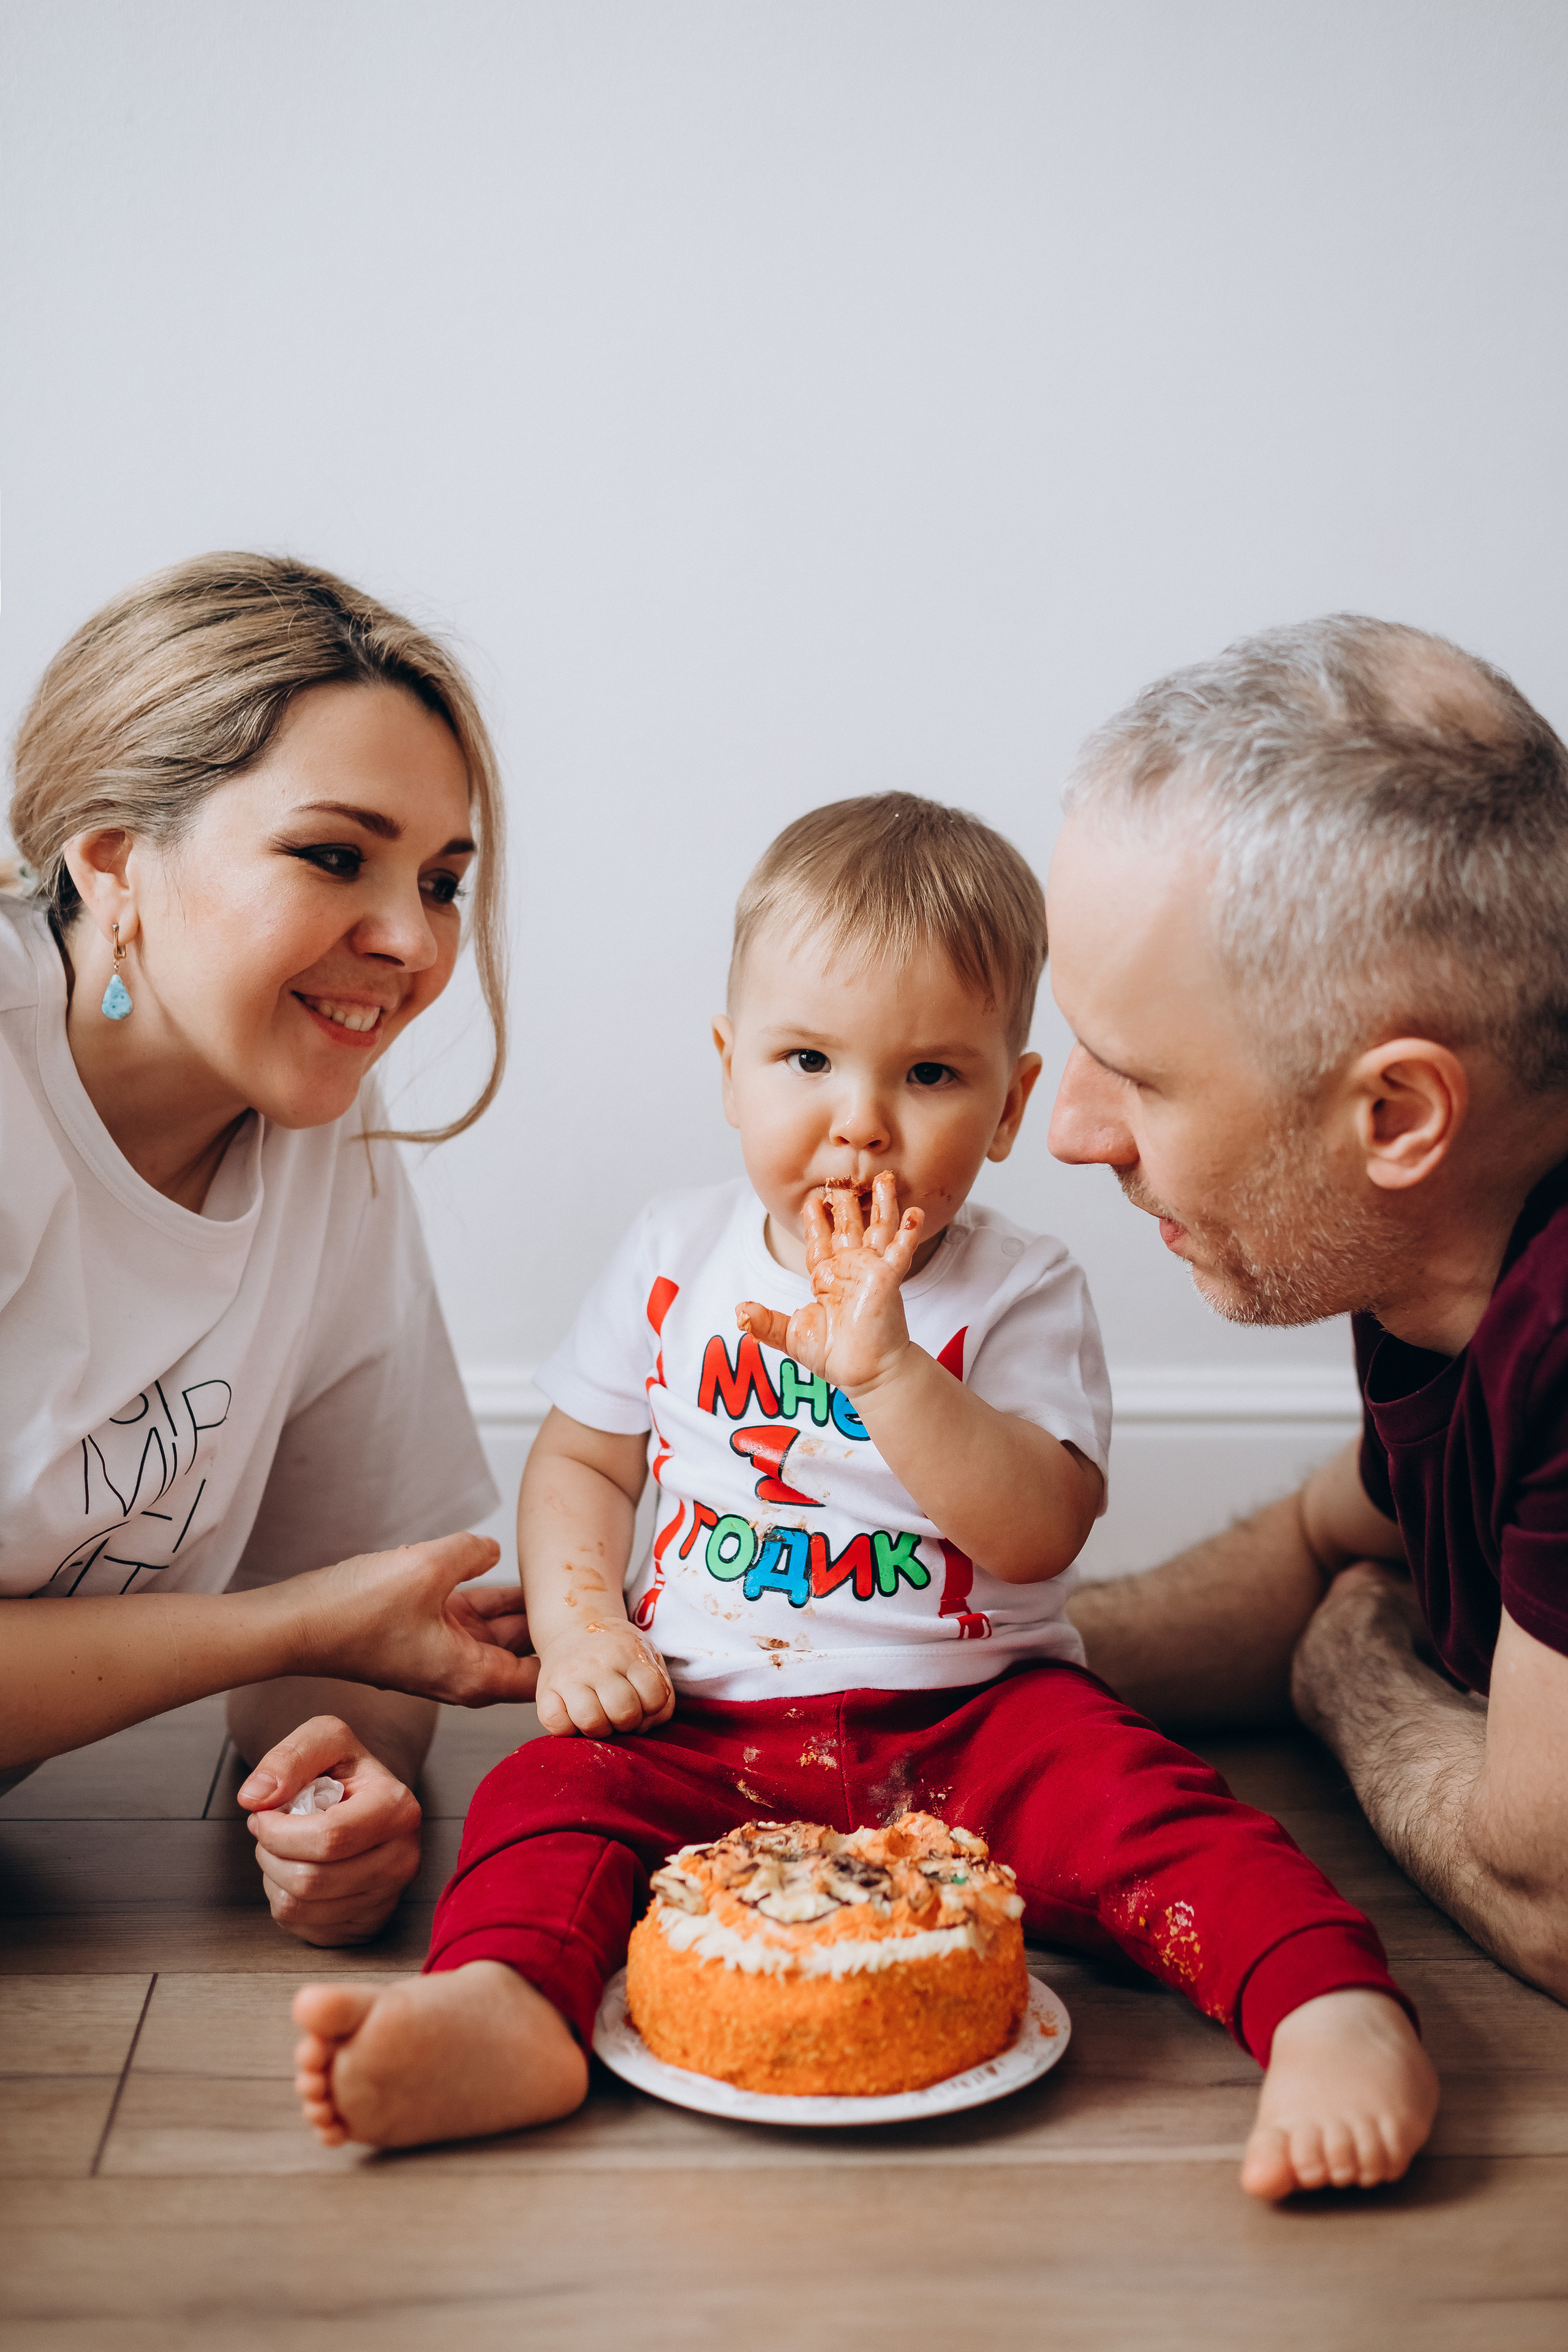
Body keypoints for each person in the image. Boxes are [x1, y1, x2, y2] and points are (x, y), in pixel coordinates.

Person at [292, 792, 1437, 2199]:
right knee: (546, 1802)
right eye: (806, 1061)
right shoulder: (676, 1253)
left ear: (1012, 1105)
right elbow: (586, 1459)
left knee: (1157, 1816)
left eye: (929, 1077)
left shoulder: (1017, 1291)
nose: (861, 1125)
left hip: (974, 1717)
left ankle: (1325, 2010)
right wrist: (588, 1628)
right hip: (696, 1715)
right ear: (729, 1070)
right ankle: (504, 2010)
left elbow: (1035, 1530)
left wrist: (888, 1368)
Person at [1, 553, 539, 1943]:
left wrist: (337, 1770)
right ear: (112, 856)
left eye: (443, 879)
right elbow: (326, 1609)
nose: (411, 941)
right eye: (333, 855)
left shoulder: (322, 1144)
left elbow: (377, 1596)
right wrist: (294, 1627)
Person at [1044, 616, 1568, 2008]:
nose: (1067, 1130)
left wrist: (1341, 1661)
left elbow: (1553, 1894)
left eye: (1135, 1076)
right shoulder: (1435, 1245)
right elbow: (1316, 1540)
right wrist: (941, 1659)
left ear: (1393, 1114)